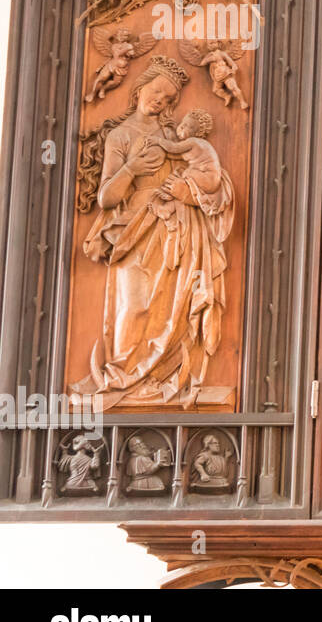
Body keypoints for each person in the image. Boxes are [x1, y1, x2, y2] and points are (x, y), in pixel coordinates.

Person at [74, 56, 234, 409]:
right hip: (133, 229)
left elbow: (199, 174)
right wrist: (131, 168)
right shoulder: (121, 135)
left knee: (169, 308)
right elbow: (106, 197)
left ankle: (159, 378)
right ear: (140, 87)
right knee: (132, 306)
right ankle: (121, 375)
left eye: (168, 98)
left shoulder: (170, 135)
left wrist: (186, 190)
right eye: (156, 91)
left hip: (173, 228)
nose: (160, 100)